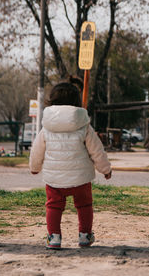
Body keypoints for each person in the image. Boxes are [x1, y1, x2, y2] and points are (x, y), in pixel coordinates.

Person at [29, 77, 112, 249]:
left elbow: (37, 150)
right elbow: (97, 150)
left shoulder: (47, 127)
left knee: (53, 206)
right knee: (84, 205)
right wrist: (105, 169)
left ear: (52, 101)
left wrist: (34, 167)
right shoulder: (84, 126)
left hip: (54, 180)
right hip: (80, 179)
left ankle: (54, 238)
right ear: (76, 102)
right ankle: (85, 236)